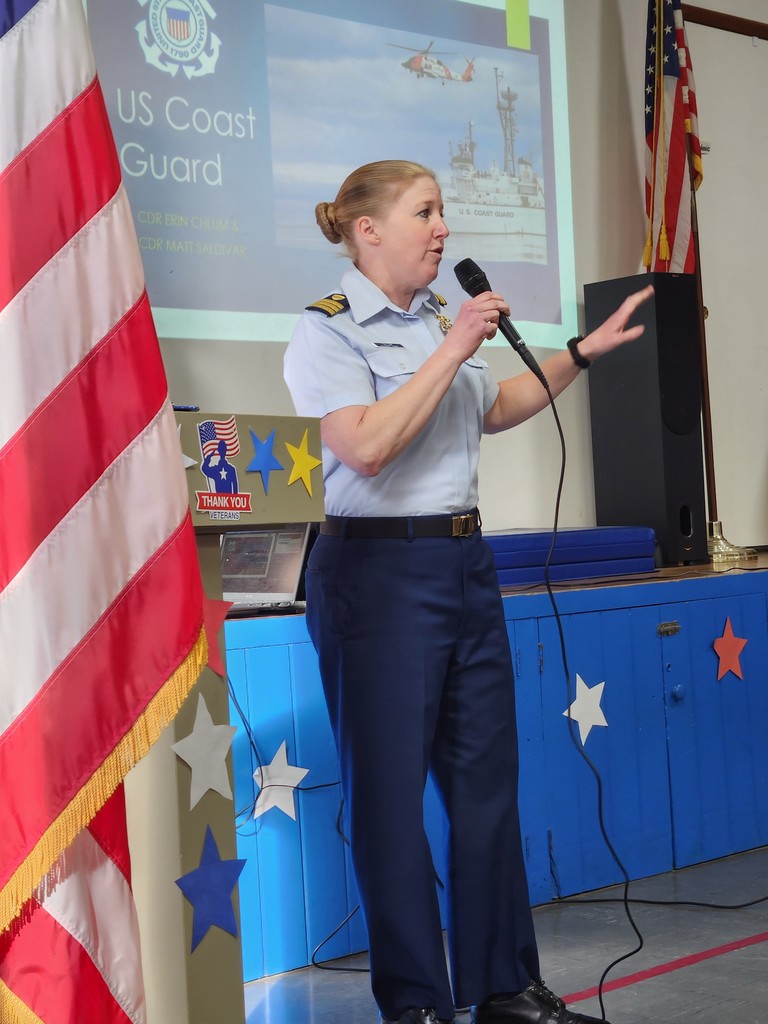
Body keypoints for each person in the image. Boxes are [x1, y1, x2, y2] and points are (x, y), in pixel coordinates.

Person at [283, 160, 653, 1024]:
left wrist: (580, 354)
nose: (444, 227)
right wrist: (453, 350)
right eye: (426, 212)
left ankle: (500, 986)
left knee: (486, 787)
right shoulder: (327, 330)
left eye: (443, 210)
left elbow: (493, 406)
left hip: (463, 567)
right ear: (368, 230)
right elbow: (366, 447)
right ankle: (415, 1003)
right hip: (376, 576)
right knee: (388, 803)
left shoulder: (435, 318)